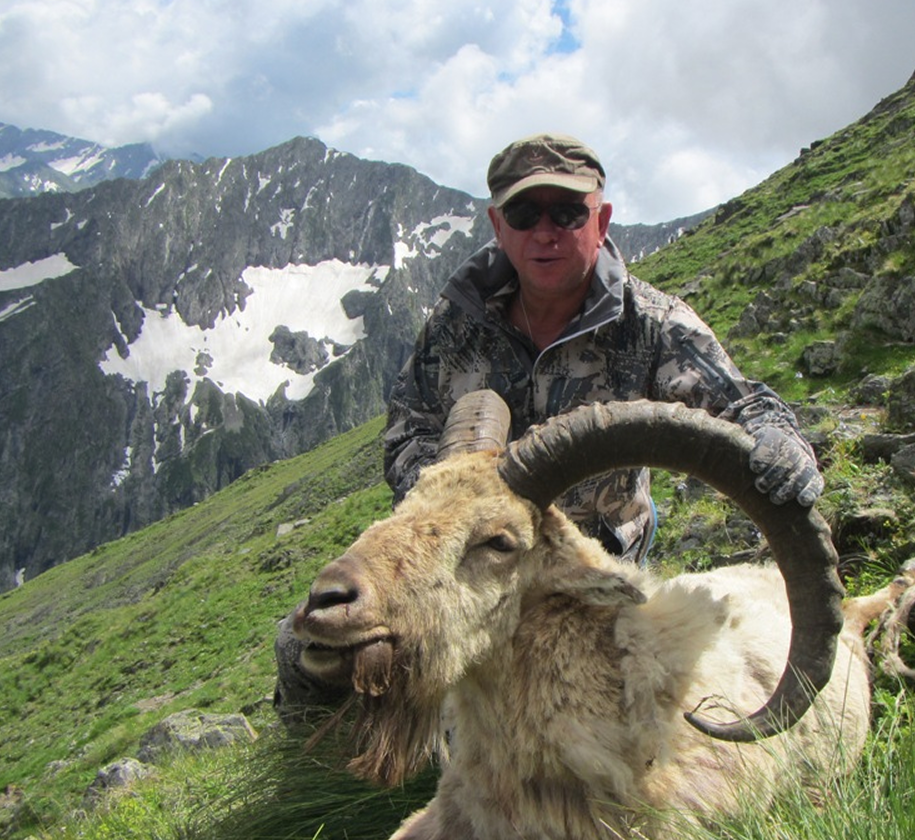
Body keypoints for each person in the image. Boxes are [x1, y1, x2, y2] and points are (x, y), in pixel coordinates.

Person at [274, 132, 821, 720]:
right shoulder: (455, 324)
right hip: (465, 554)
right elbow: (408, 429)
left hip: (580, 566)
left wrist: (778, 440)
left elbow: (742, 406)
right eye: (523, 212)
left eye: (567, 211)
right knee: (309, 646)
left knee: (551, 706)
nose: (545, 231)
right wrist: (456, 512)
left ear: (601, 218)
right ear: (497, 224)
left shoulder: (656, 326)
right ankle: (322, 788)